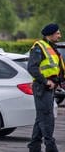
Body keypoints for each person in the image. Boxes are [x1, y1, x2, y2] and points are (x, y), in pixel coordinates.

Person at [27, 23, 63, 152]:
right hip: (42, 88)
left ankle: (34, 148)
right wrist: (45, 82)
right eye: (58, 33)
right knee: (47, 119)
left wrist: (59, 82)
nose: (60, 35)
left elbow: (56, 69)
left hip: (49, 88)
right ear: (50, 34)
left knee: (41, 119)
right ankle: (51, 148)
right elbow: (31, 67)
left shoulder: (51, 47)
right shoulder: (39, 47)